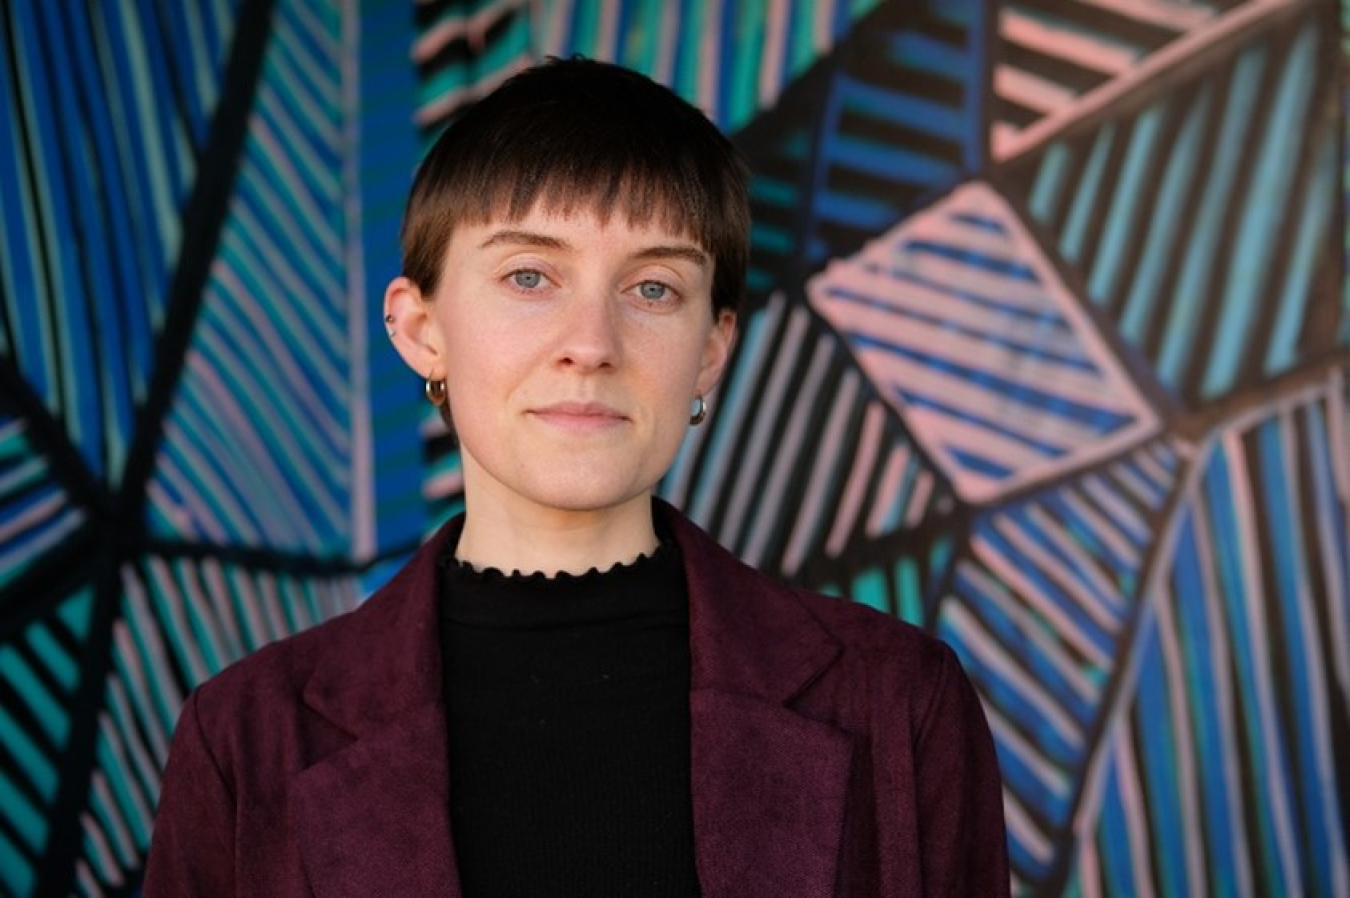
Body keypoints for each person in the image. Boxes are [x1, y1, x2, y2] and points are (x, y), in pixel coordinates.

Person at [143, 57, 1009, 897]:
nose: (592, 342)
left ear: (712, 349)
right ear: (420, 330)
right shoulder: (246, 739)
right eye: (530, 276)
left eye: (655, 289)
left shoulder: (899, 701)